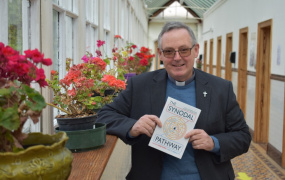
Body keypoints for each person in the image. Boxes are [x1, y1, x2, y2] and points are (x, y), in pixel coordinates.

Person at [96, 21, 251, 180]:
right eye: (169, 51)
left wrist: (213, 142)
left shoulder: (220, 89)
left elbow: (243, 136)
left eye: (184, 50)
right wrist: (132, 126)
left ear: (196, 50)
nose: (177, 58)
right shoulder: (140, 85)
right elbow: (103, 116)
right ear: (160, 54)